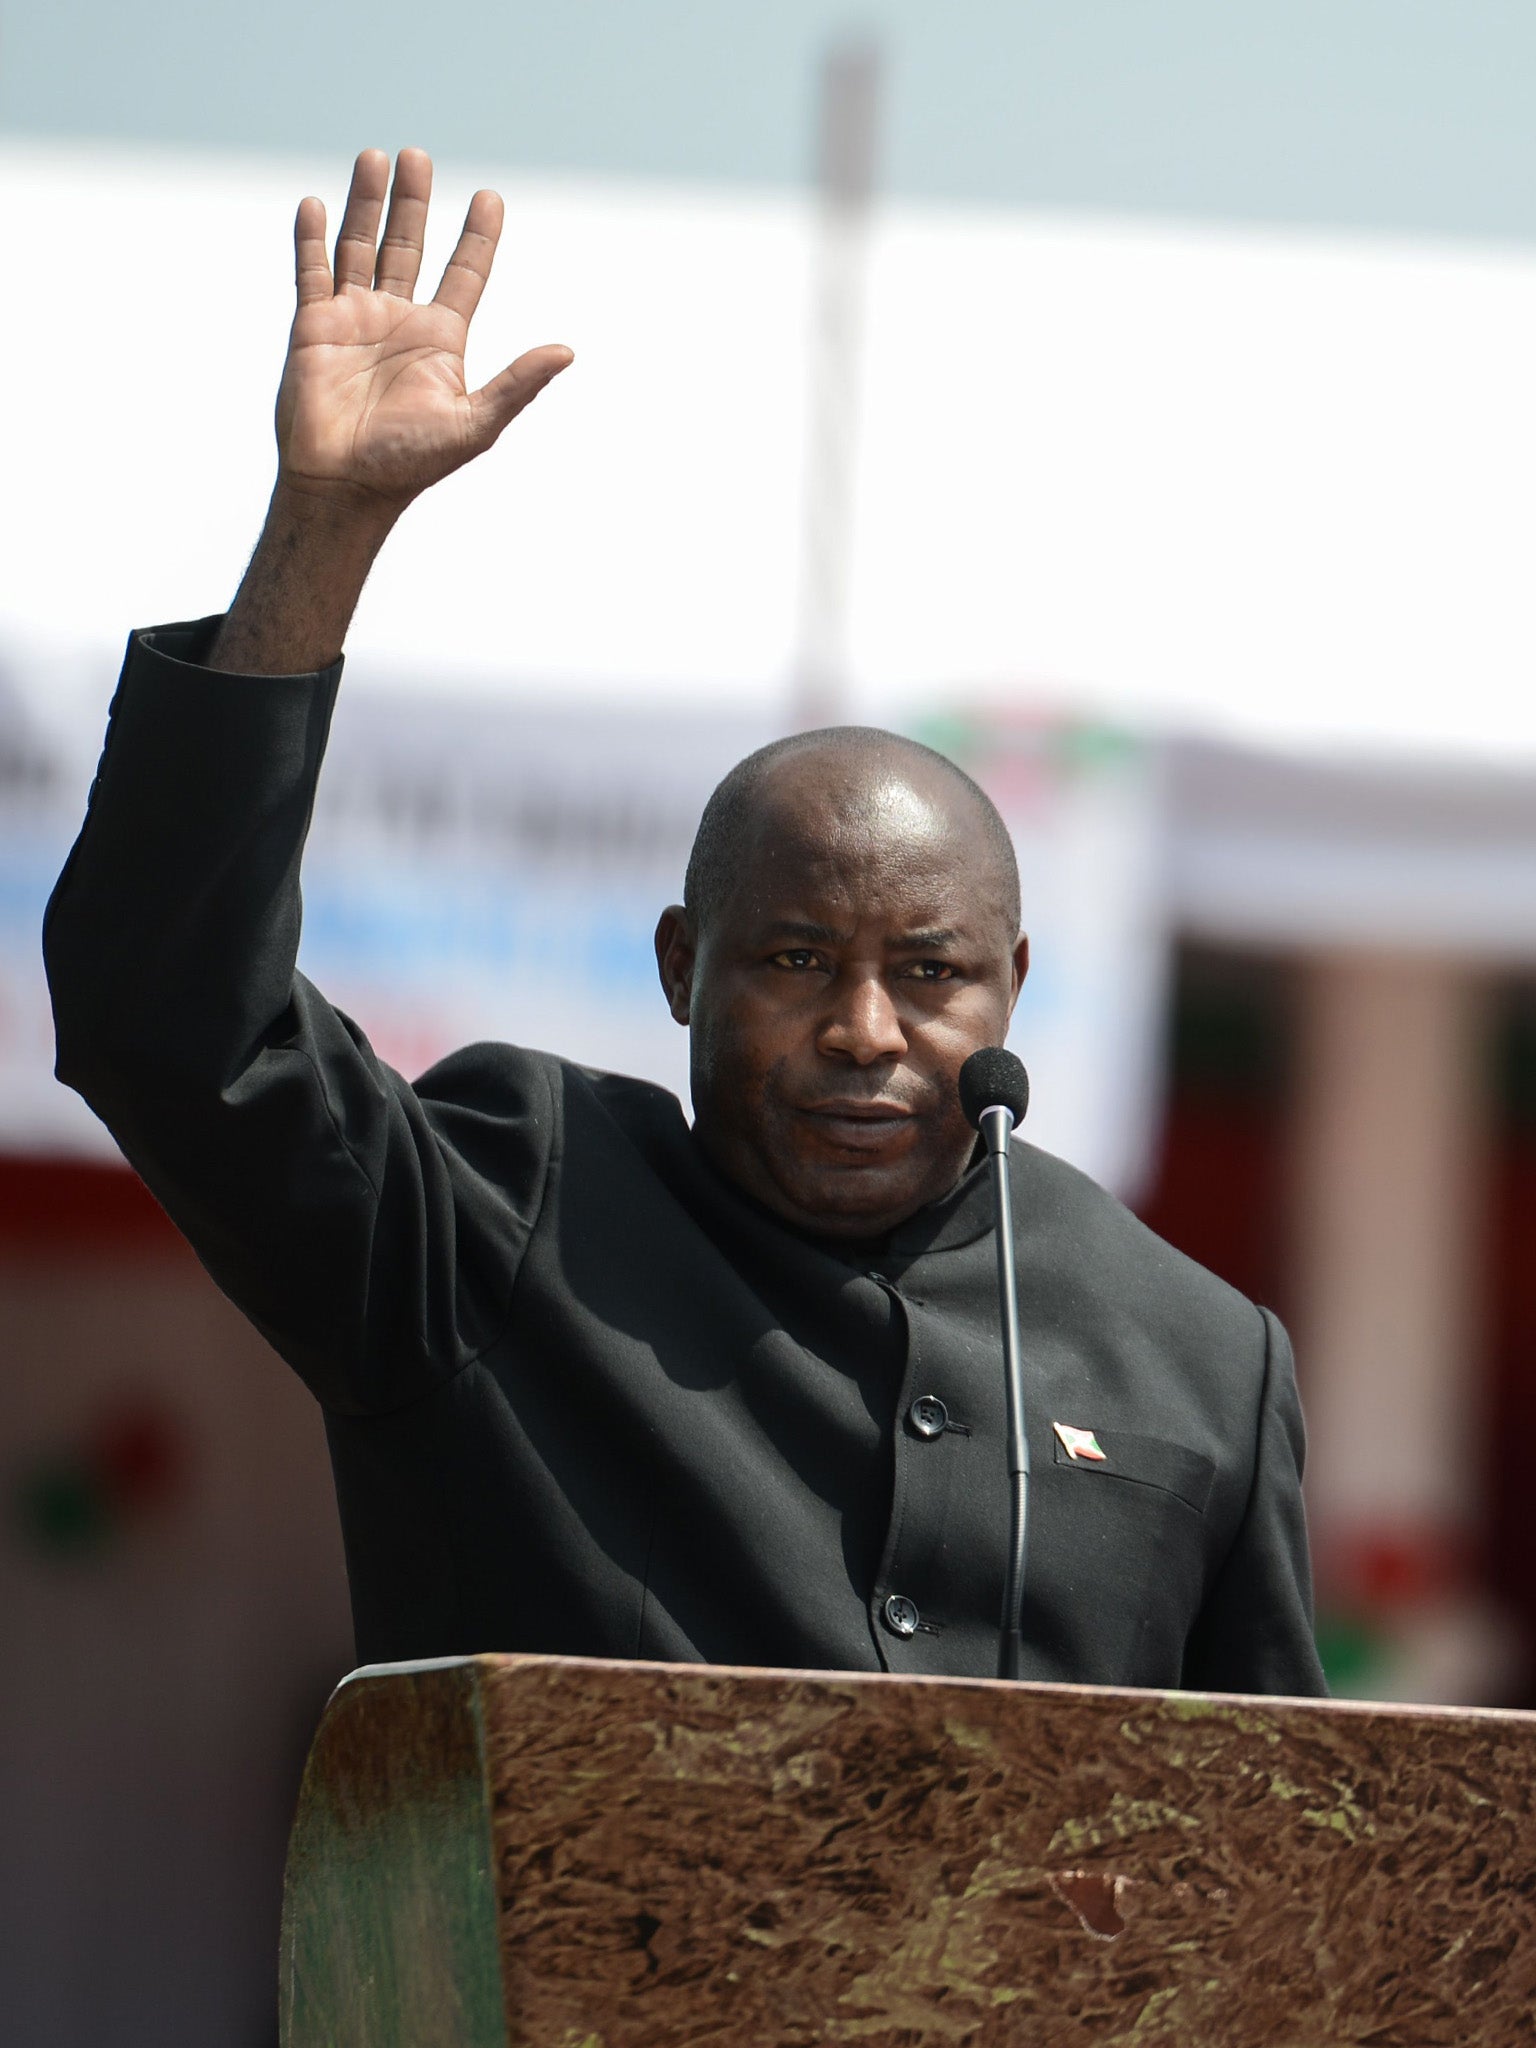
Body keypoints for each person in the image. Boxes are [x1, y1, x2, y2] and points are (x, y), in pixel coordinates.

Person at [44, 149, 1325, 1697]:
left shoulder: (1202, 1354)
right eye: (796, 961)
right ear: (680, 967)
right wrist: (323, 531)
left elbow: (1277, 1835)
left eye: (930, 975)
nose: (867, 1031)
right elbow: (169, 1017)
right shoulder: (506, 1223)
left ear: (1013, 989)